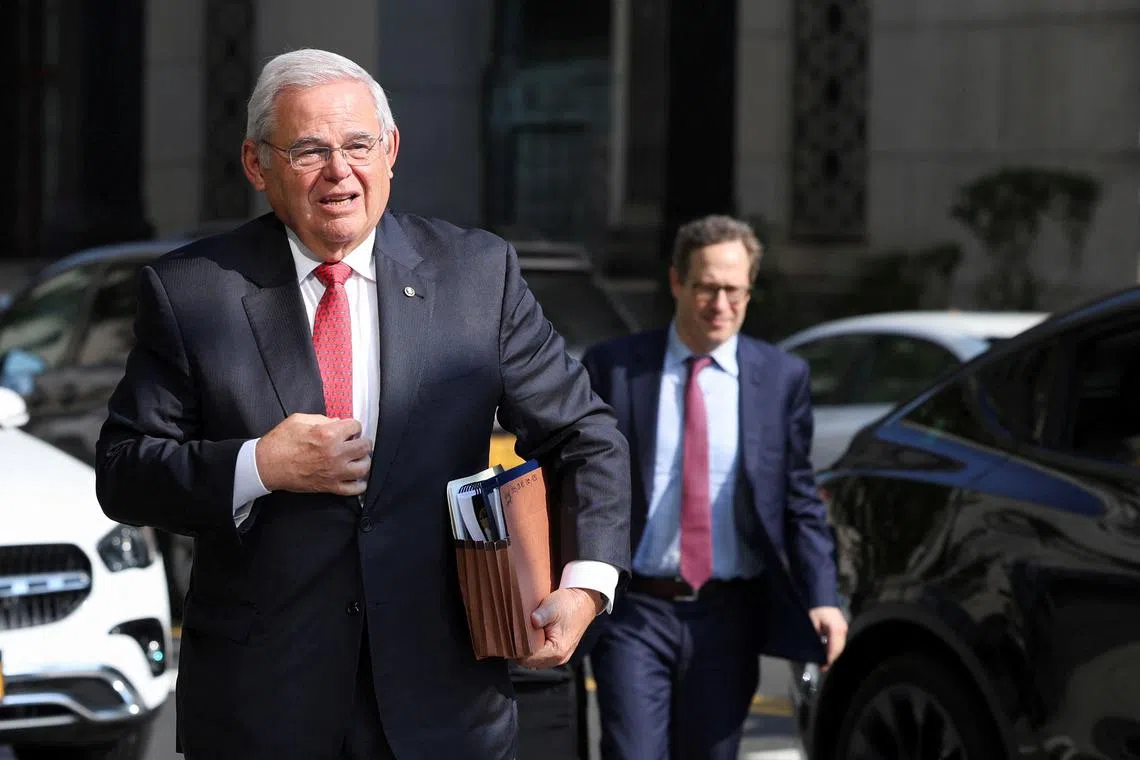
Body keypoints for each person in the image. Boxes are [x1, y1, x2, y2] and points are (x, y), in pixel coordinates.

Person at [95, 48, 630, 760]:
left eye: (356, 145)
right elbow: (126, 470)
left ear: (391, 150)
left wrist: (586, 587)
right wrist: (261, 464)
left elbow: (585, 437)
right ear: (258, 166)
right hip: (263, 708)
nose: (339, 172)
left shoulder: (476, 275)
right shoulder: (192, 292)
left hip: (445, 704)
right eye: (309, 150)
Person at [580, 215, 847, 760]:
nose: (720, 303)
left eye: (734, 289)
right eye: (706, 287)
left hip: (730, 614)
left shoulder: (781, 377)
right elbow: (578, 481)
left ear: (750, 290)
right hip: (636, 608)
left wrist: (824, 596)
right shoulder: (616, 368)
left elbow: (798, 497)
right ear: (677, 281)